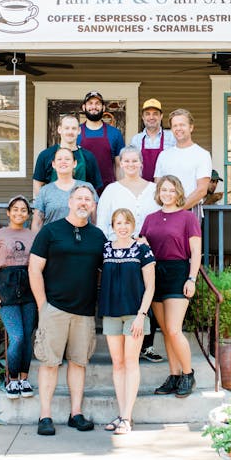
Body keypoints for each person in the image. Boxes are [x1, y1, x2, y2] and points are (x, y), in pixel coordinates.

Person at [29, 185, 106, 436]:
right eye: (80, 198)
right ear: (70, 201)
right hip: (54, 308)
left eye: (88, 199)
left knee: (78, 363)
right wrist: (43, 306)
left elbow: (110, 269)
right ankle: (45, 416)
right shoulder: (50, 231)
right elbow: (34, 269)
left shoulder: (98, 237)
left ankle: (76, 413)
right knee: (49, 363)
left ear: (93, 206)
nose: (84, 203)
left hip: (84, 311)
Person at [95, 145, 163, 363]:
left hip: (151, 248)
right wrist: (116, 244)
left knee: (149, 292)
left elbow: (162, 216)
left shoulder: (153, 189)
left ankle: (148, 345)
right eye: (127, 161)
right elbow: (103, 223)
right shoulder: (112, 190)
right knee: (130, 293)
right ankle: (129, 342)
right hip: (120, 253)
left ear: (141, 163)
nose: (131, 165)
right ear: (120, 164)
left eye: (135, 161)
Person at [140, 175, 202, 398]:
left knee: (174, 329)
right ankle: (174, 375)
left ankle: (188, 374)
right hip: (156, 273)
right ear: (158, 192)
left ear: (178, 193)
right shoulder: (150, 218)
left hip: (178, 272)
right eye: (164, 190)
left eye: (172, 190)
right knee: (166, 330)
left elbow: (195, 251)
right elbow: (143, 244)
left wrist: (192, 278)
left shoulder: (188, 218)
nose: (167, 194)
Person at [99, 208, 156, 435]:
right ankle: (120, 414)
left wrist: (142, 315)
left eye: (126, 223)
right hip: (111, 312)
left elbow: (150, 285)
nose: (122, 227)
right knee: (118, 363)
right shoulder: (105, 249)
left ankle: (127, 417)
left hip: (134, 313)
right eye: (118, 223)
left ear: (133, 225)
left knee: (131, 362)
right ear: (112, 226)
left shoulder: (142, 248)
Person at [0, 195, 38, 399]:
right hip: (6, 286)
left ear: (28, 214)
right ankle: (12, 380)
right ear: (8, 212)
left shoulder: (33, 236)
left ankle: (24, 379)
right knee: (17, 337)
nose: (19, 213)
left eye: (23, 210)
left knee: (27, 338)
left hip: (29, 287)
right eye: (15, 209)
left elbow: (38, 264)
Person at [154, 109, 213, 215]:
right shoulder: (163, 155)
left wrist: (177, 209)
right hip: (165, 210)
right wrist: (168, 208)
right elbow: (158, 186)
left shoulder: (202, 154)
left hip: (191, 210)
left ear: (191, 127)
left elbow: (201, 190)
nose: (178, 129)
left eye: (182, 125)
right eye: (175, 126)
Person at [32, 114, 103, 196]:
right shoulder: (45, 155)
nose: (70, 132)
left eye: (74, 128)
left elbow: (94, 188)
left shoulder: (89, 157)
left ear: (79, 131)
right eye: (66, 128)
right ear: (59, 129)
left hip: (80, 206)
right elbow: (38, 184)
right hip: (52, 206)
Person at [32, 147, 98, 230]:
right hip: (52, 240)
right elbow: (37, 223)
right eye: (59, 159)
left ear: (74, 163)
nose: (63, 162)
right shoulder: (45, 190)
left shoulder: (87, 188)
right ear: (53, 164)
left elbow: (94, 220)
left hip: (82, 239)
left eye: (67, 159)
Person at [79, 91, 125, 194]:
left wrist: (121, 189)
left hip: (108, 190)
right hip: (81, 191)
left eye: (97, 103)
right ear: (84, 107)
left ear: (103, 108)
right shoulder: (76, 132)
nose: (94, 107)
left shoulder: (115, 133)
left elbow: (119, 165)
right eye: (90, 103)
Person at [129, 98, 176, 182]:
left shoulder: (172, 137)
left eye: (155, 114)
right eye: (147, 114)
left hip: (166, 188)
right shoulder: (136, 139)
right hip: (141, 187)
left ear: (161, 116)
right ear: (143, 117)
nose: (151, 117)